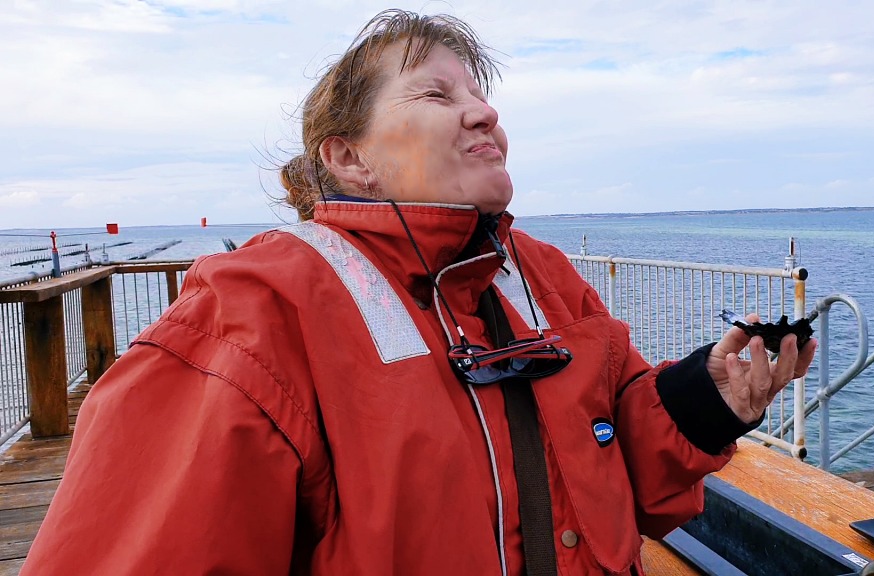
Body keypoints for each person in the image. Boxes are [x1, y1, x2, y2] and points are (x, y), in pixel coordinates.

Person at [23, 9, 816, 576]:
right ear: (348, 158)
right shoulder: (251, 314)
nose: (486, 111)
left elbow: (614, 472)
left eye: (479, 93)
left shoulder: (539, 272)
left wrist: (705, 400)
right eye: (438, 96)